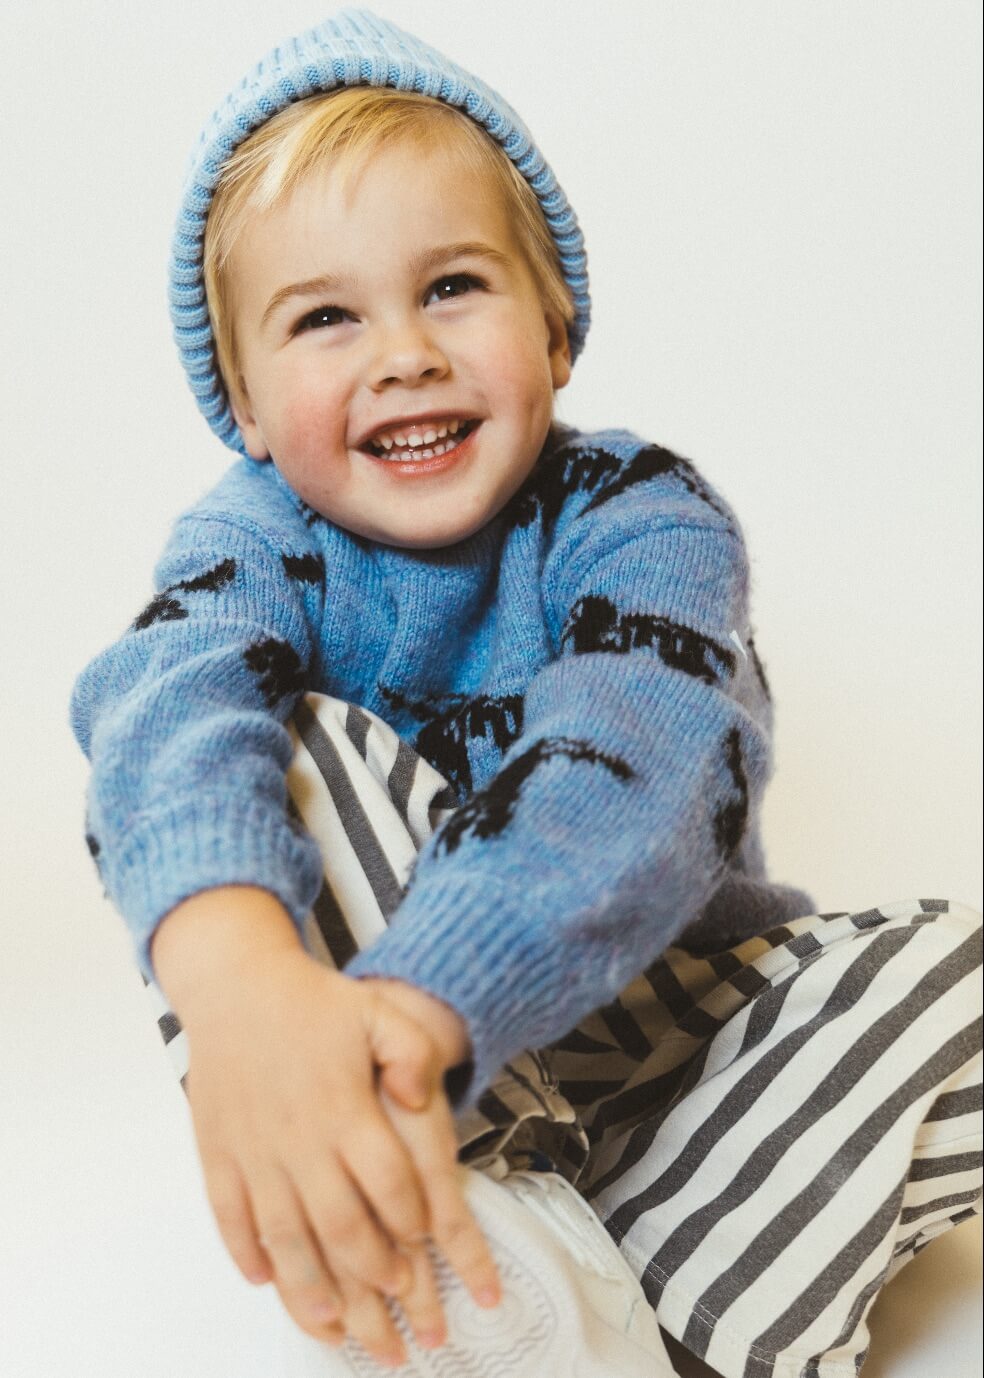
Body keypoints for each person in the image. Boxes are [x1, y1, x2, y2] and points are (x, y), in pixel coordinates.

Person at [70, 9, 982, 1377]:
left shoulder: (638, 513)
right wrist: (240, 983)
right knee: (273, 752)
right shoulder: (256, 543)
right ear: (245, 407)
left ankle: (649, 1298)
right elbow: (159, 704)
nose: (403, 352)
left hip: (668, 1028)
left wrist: (435, 1002)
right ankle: (464, 1229)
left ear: (556, 327)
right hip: (401, 1085)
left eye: (452, 287)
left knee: (955, 976)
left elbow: (642, 752)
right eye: (325, 317)